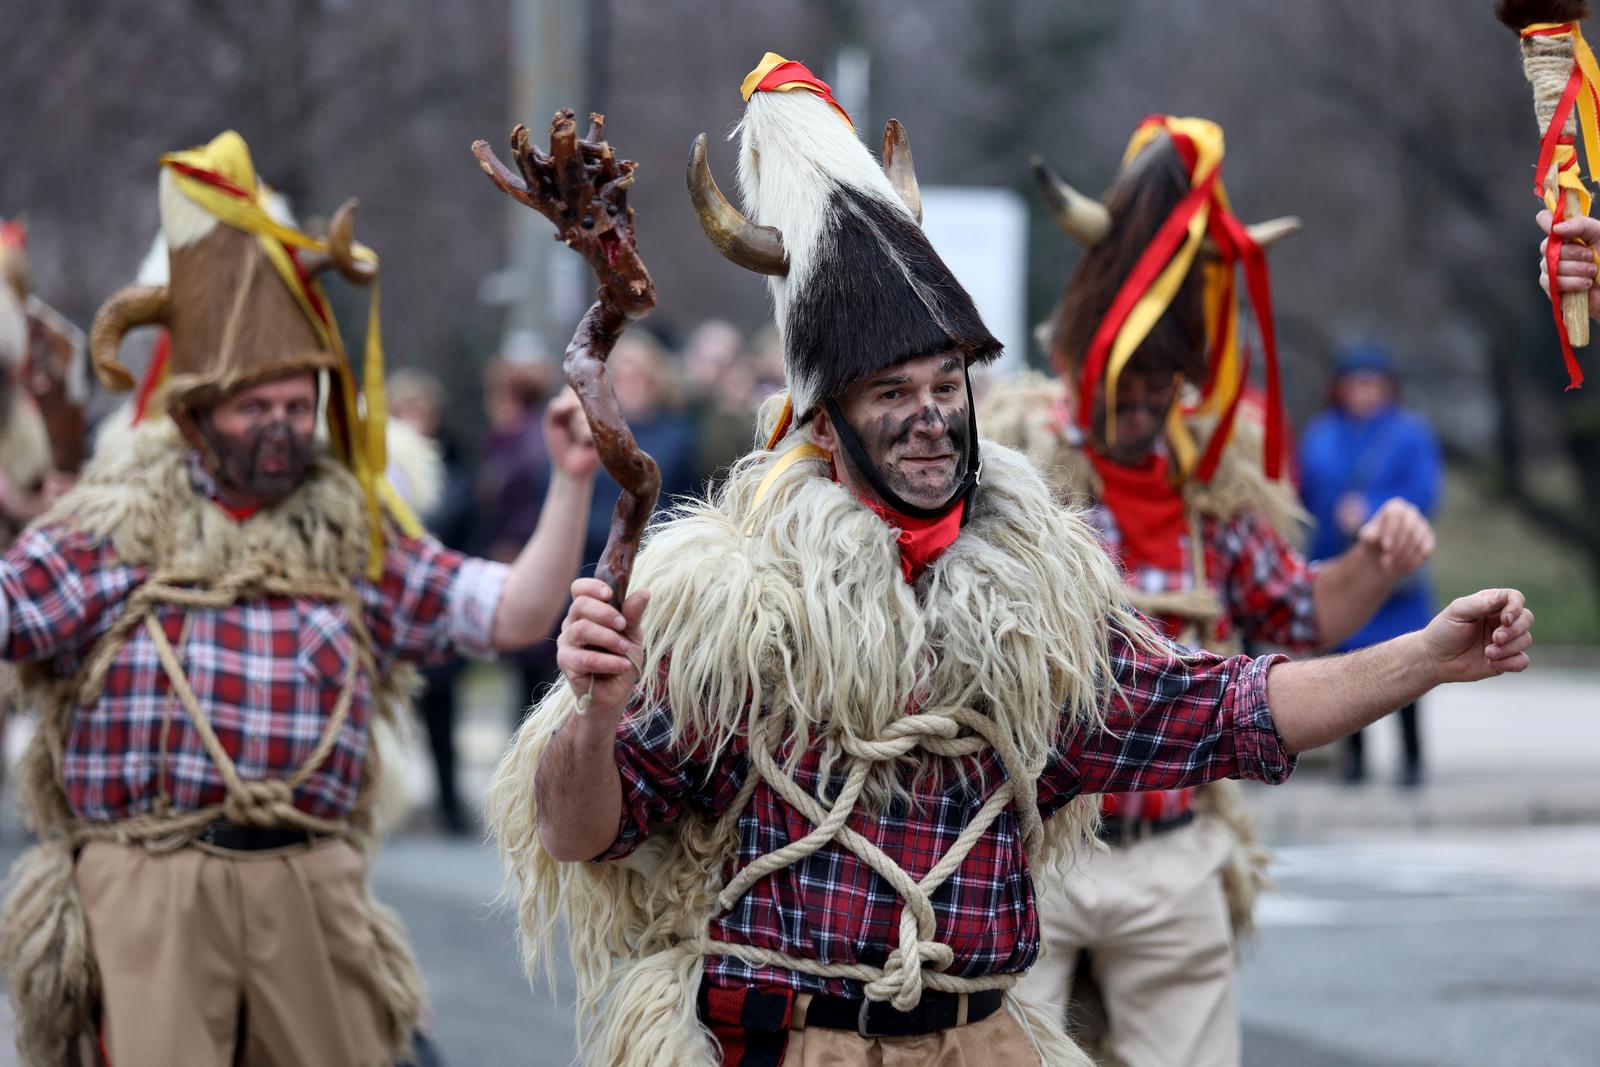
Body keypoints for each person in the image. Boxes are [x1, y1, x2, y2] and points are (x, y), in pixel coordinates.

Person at [488, 61, 1533, 1067]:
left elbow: (1233, 706)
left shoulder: (1032, 610)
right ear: (823, 422)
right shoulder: (735, 606)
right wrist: (591, 711)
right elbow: (580, 832)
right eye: (891, 392)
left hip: (986, 1042)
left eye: (947, 383)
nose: (932, 415)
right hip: (797, 1043)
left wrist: (1423, 657)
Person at [0, 131, 597, 1066]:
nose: (282, 428)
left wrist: (570, 482)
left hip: (310, 878)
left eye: (298, 403)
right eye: (255, 407)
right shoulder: (108, 530)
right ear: (196, 412)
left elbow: (513, 612)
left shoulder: (350, 535)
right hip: (148, 879)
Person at [984, 117, 1439, 1067]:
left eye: (1163, 386)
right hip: (1031, 854)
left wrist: (1378, 559)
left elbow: (1304, 616)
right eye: (1125, 382)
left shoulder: (1213, 503)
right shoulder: (1009, 483)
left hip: (1170, 851)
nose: (1143, 407)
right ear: (1078, 361)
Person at [1298, 343, 1442, 786]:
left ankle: (1412, 759)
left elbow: (1425, 491)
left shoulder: (1409, 433)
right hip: (1340, 563)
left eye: (1372, 383)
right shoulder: (1320, 434)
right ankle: (1354, 759)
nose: (1364, 391)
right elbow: (1303, 493)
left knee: (1413, 657)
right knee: (1346, 660)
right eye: (1355, 382)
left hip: (1394, 569)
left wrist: (1373, 510)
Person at [390, 368, 480, 831]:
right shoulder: (379, 469)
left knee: (442, 711)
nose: (416, 419)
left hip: (439, 601)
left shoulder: (456, 467)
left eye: (423, 410)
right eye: (408, 409)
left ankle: (448, 803)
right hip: (392, 605)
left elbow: (461, 520)